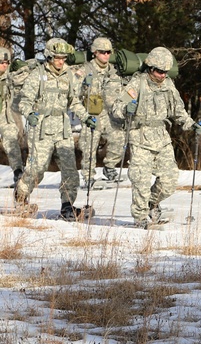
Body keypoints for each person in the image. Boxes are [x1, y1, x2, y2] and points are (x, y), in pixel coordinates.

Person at [110, 47, 201, 228]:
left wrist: (190, 124)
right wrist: (125, 110)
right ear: (150, 68)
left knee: (170, 180)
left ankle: (152, 204)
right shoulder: (137, 84)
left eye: (165, 72)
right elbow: (116, 108)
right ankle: (140, 218)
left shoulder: (168, 85)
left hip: (161, 137)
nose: (162, 75)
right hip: (140, 137)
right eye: (159, 71)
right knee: (141, 181)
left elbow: (178, 111)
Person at [15, 38, 95, 220]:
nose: (61, 61)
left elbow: (74, 101)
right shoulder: (38, 75)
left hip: (63, 128)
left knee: (70, 170)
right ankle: (20, 196)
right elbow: (25, 101)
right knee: (37, 169)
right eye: (57, 58)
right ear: (49, 57)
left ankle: (67, 206)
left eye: (63, 58)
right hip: (41, 128)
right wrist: (29, 113)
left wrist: (86, 117)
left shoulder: (69, 76)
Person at [75, 36, 126, 187]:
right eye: (102, 52)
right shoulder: (84, 70)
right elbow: (73, 93)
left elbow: (124, 92)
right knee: (89, 145)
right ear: (95, 53)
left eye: (108, 52)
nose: (106, 55)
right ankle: (88, 176)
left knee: (119, 139)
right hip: (92, 114)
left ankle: (109, 168)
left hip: (110, 115)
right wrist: (83, 85)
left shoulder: (115, 72)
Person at [0, 45, 23, 185]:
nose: (4, 65)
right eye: (1, 62)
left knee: (11, 142)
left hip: (5, 115)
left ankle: (18, 172)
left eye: (7, 63)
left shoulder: (11, 76)